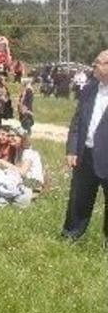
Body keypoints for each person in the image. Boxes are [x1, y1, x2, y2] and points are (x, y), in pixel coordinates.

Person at [60, 50, 108, 242]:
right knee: (79, 198)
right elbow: (77, 121)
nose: (93, 65)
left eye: (98, 62)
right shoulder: (89, 89)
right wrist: (72, 149)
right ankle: (71, 234)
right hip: (85, 154)